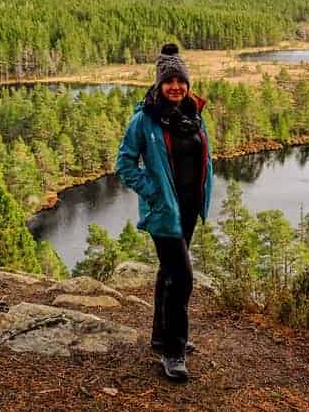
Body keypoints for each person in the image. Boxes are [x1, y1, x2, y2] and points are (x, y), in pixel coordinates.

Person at [115, 43, 214, 383]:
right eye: (168, 81)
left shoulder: (193, 113)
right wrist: (152, 192)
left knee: (168, 275)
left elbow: (201, 155)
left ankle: (161, 337)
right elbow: (124, 164)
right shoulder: (145, 118)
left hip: (187, 210)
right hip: (163, 212)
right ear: (158, 84)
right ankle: (173, 352)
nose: (175, 86)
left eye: (180, 80)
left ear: (188, 83)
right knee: (182, 278)